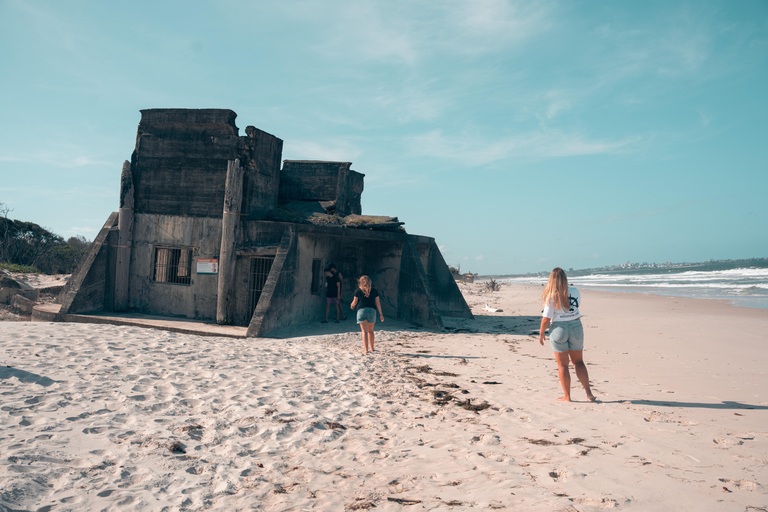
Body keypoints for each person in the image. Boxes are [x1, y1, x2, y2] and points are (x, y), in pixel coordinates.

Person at [538, 267, 596, 402]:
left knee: (563, 365)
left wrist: (541, 333)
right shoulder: (575, 291)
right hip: (576, 327)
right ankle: (589, 392)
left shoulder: (551, 296)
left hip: (559, 329)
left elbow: (546, 318)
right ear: (565, 279)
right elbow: (576, 306)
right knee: (579, 362)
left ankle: (567, 396)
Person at [350, 275, 384, 354]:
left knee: (364, 331)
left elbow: (354, 302)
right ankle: (372, 348)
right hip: (372, 311)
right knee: (371, 331)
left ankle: (366, 350)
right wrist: (381, 314)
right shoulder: (374, 291)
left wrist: (352, 306)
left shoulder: (358, 291)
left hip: (361, 311)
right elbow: (378, 303)